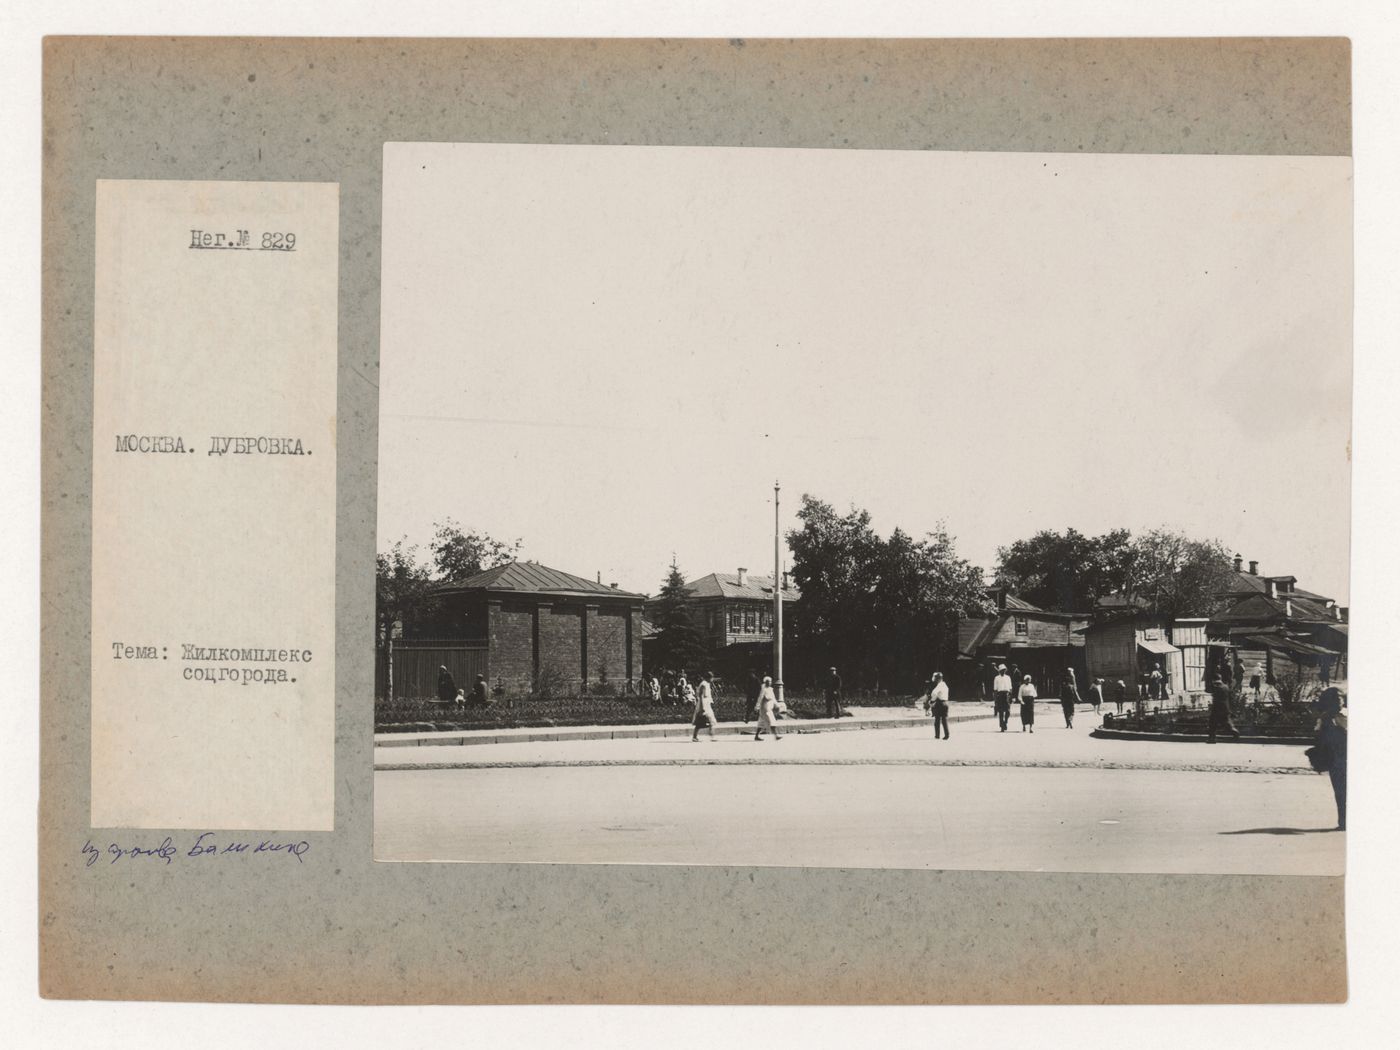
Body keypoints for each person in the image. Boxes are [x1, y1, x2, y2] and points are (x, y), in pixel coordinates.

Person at [1314, 687, 1347, 830]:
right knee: (1340, 791)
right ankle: (1343, 821)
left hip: (1345, 757)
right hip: (1336, 759)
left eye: (1340, 699)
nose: (1340, 702)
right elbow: (1319, 735)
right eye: (1336, 700)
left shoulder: (1345, 715)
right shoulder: (1325, 718)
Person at [1206, 673, 1241, 744]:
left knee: (1212, 723)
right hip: (1225, 708)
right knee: (1226, 723)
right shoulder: (1226, 687)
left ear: (1214, 680)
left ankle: (1212, 739)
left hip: (1217, 708)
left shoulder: (1216, 688)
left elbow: (1216, 699)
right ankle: (1235, 732)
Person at [754, 675, 783, 741]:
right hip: (765, 709)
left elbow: (773, 699)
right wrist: (757, 706)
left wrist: (777, 705)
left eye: (770, 681)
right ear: (765, 682)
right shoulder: (763, 689)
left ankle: (756, 736)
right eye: (768, 681)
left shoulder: (770, 689)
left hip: (769, 708)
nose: (770, 682)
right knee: (772, 721)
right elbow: (760, 698)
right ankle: (776, 736)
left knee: (761, 722)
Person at [691, 671, 718, 742]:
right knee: (700, 721)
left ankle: (711, 736)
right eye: (712, 678)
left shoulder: (707, 684)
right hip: (703, 704)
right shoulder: (704, 684)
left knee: (710, 721)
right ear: (709, 678)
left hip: (706, 704)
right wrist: (702, 707)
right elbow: (701, 696)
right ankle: (696, 736)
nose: (712, 679)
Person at [927, 672, 950, 740]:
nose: (934, 679)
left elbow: (934, 693)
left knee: (937, 719)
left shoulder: (940, 685)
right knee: (944, 720)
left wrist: (932, 700)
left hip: (940, 703)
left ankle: (937, 735)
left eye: (935, 678)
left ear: (938, 678)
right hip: (945, 703)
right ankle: (947, 734)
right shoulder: (944, 684)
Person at [992, 664, 1013, 732]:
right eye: (1001, 670)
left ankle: (1005, 722)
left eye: (1004, 670)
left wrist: (1010, 697)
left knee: (1008, 711)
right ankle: (1002, 725)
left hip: (1007, 694)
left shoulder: (1008, 677)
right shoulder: (996, 678)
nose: (1003, 671)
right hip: (1000, 695)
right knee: (1001, 712)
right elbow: (995, 689)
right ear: (999, 671)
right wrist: (995, 699)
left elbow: (1010, 688)